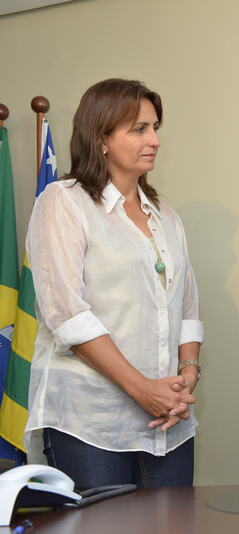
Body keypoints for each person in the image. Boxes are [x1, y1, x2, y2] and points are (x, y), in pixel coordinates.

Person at [24, 79, 203, 489]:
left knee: (177, 522)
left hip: (169, 421)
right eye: (139, 129)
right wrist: (142, 389)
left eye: (155, 127)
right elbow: (67, 315)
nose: (155, 140)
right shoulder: (63, 201)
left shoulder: (166, 216)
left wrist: (187, 376)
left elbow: (187, 310)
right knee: (103, 521)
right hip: (90, 421)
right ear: (101, 138)